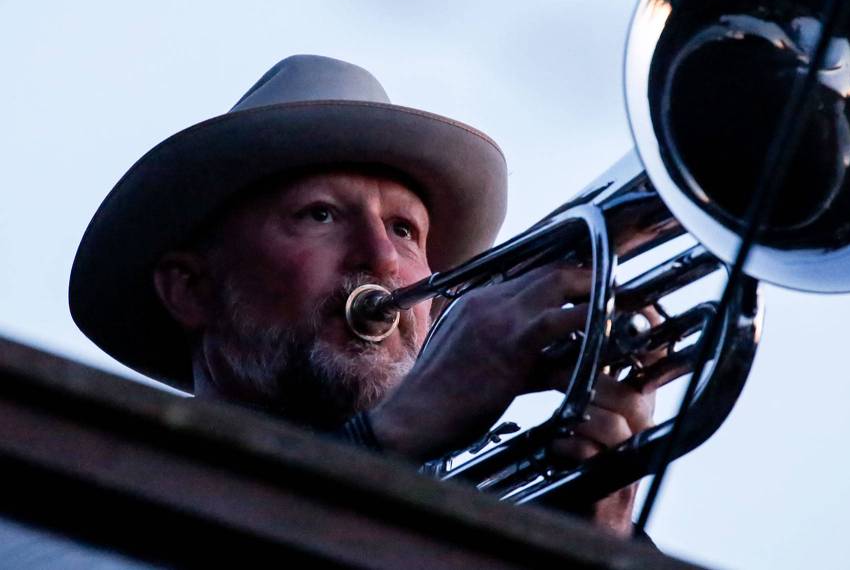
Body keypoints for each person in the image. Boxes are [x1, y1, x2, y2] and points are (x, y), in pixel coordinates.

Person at [69, 55, 657, 537]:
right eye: (320, 215)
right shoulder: (87, 490)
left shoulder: (496, 508)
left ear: (439, 306)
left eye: (405, 229)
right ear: (190, 289)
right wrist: (389, 436)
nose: (381, 258)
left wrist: (599, 542)